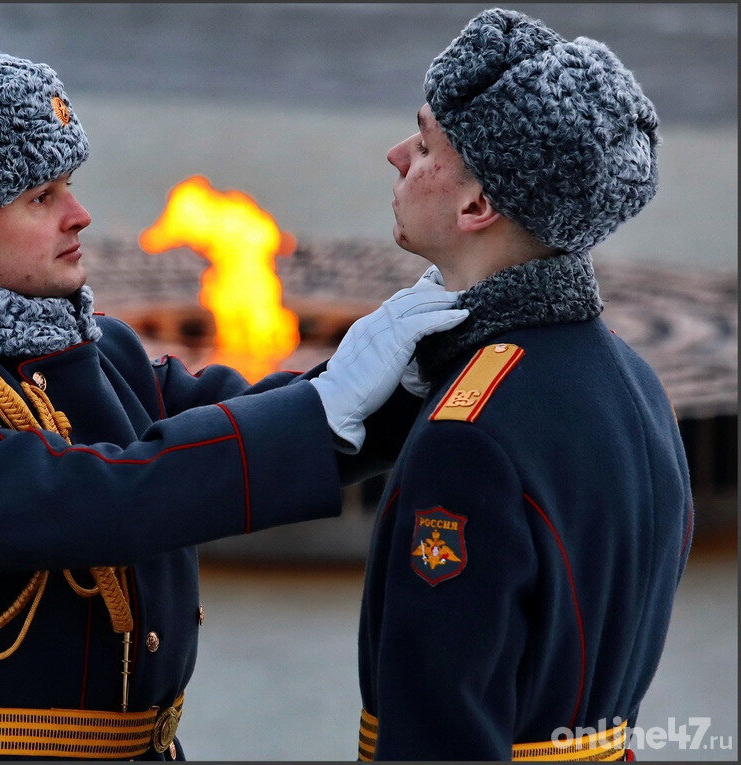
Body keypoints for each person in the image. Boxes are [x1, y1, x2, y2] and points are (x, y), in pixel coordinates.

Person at [0, 53, 466, 761]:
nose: (80, 213)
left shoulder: (86, 346)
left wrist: (405, 385)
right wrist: (324, 409)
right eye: (41, 197)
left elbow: (213, 417)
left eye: (69, 184)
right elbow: (109, 496)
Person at [354, 8, 694, 761]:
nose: (395, 155)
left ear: (478, 205)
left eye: (425, 141)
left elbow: (441, 730)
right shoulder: (636, 382)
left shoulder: (469, 437)